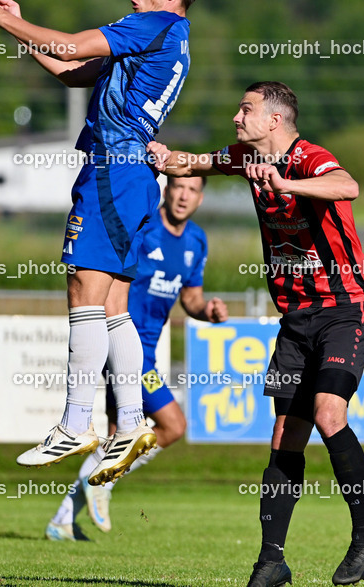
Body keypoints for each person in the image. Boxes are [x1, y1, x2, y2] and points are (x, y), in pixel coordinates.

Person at [0, 0, 201, 485]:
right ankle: (132, 422)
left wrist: (4, 18)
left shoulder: (152, 25)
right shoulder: (160, 41)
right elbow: (71, 70)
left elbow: (69, 45)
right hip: (132, 178)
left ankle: (75, 421)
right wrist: (18, 27)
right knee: (113, 304)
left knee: (82, 290)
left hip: (114, 172)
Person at [148, 82, 364, 586]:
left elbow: (348, 187)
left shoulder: (308, 157)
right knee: (284, 435)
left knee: (327, 412)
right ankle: (271, 561)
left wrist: (287, 184)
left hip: (347, 307)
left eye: (246, 109)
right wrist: (164, 155)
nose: (237, 117)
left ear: (274, 121)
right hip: (297, 316)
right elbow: (192, 163)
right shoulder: (242, 158)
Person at [45, 175, 228, 540]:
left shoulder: (196, 241)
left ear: (200, 198)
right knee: (173, 425)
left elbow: (190, 298)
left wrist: (206, 310)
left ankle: (63, 520)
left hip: (147, 352)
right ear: (167, 189)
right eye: (178, 186)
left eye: (192, 190)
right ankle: (102, 487)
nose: (183, 195)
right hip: (125, 349)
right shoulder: (143, 228)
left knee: (117, 439)